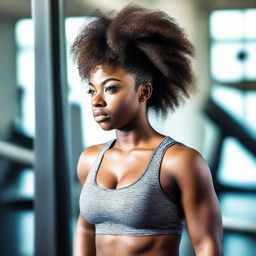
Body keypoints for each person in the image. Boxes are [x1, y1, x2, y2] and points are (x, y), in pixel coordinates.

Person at [71, 3, 223, 256]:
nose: (97, 100)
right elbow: (86, 229)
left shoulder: (180, 162)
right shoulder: (90, 160)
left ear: (144, 91)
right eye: (91, 90)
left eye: (110, 88)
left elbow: (207, 243)